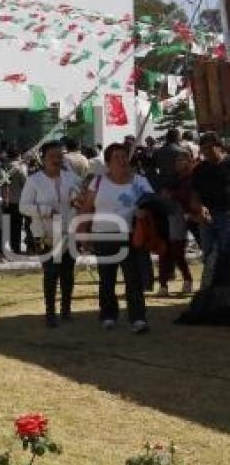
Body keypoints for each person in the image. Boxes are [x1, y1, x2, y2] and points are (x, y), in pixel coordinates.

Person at [80, 143, 153, 333]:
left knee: (133, 279)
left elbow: (152, 203)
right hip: (103, 235)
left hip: (130, 236)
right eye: (116, 157)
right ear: (108, 163)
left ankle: (137, 318)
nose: (121, 161)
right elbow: (86, 209)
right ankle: (108, 315)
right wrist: (83, 233)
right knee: (107, 278)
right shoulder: (97, 182)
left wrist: (144, 210)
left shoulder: (139, 181)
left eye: (124, 156)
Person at [20, 142, 81, 327]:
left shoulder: (72, 178)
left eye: (60, 155)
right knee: (51, 273)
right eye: (52, 155)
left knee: (68, 272)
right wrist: (45, 210)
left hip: (69, 231)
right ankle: (50, 313)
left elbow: (81, 199)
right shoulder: (34, 180)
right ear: (43, 158)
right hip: (45, 233)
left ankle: (66, 309)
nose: (57, 159)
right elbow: (23, 206)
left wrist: (78, 202)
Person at [190, 132, 230, 290]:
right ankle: (210, 289)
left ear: (218, 146)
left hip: (227, 214)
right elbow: (194, 193)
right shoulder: (200, 169)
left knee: (225, 251)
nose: (206, 152)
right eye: (203, 149)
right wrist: (199, 207)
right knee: (208, 254)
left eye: (209, 148)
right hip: (206, 217)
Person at [157, 148, 195, 296]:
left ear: (189, 161)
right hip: (174, 215)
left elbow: (189, 194)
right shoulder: (174, 178)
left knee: (177, 251)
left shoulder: (194, 176)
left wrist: (174, 194)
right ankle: (164, 284)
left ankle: (187, 280)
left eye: (181, 160)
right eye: (176, 161)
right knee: (168, 250)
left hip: (193, 216)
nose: (177, 163)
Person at [3, 148, 28, 255]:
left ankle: (5, 248)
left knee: (6, 225)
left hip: (6, 199)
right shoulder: (21, 167)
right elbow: (25, 183)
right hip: (18, 200)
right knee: (17, 226)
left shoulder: (4, 166)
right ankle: (16, 248)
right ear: (18, 155)